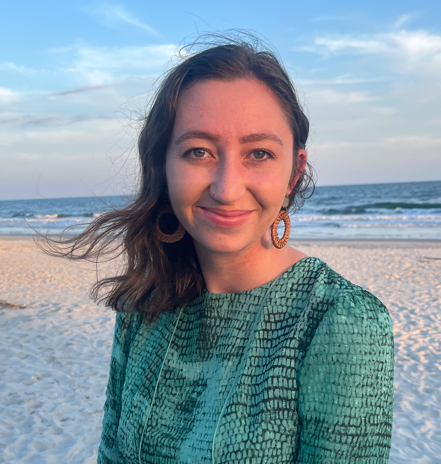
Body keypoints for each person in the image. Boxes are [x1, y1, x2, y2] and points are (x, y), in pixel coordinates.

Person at [41, 34, 394, 463]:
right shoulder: (146, 302)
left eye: (259, 153)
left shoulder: (340, 320)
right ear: (162, 165)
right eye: (199, 152)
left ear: (293, 173)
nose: (226, 189)